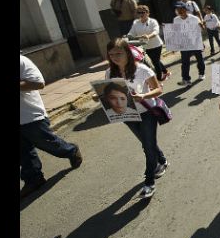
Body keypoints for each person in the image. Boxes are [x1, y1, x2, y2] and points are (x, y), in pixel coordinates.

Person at [96, 38, 168, 198]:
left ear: (127, 53)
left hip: (147, 112)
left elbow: (158, 89)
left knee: (148, 147)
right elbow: (109, 91)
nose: (115, 57)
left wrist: (143, 95)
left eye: (118, 53)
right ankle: (162, 160)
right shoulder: (109, 72)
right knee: (146, 142)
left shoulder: (142, 69)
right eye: (111, 54)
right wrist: (100, 96)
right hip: (127, 114)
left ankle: (149, 183)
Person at [20, 54, 83, 198]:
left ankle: (71, 150)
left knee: (47, 143)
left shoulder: (21, 61)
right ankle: (33, 179)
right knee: (23, 152)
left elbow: (38, 83)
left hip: (31, 116)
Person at [128, 5, 170, 81]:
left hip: (156, 45)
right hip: (146, 46)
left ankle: (159, 78)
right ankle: (165, 71)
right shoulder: (136, 23)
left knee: (155, 61)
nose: (141, 14)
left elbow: (156, 31)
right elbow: (132, 32)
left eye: (143, 12)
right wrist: (128, 36)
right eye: (139, 12)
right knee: (156, 60)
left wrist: (148, 36)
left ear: (148, 13)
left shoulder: (152, 21)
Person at [173, 2, 206, 86]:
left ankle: (201, 73)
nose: (179, 11)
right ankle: (186, 79)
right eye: (177, 9)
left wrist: (202, 26)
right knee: (185, 62)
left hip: (195, 43)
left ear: (185, 9)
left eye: (181, 9)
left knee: (199, 59)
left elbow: (201, 29)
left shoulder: (194, 18)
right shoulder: (176, 20)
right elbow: (176, 32)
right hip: (184, 44)